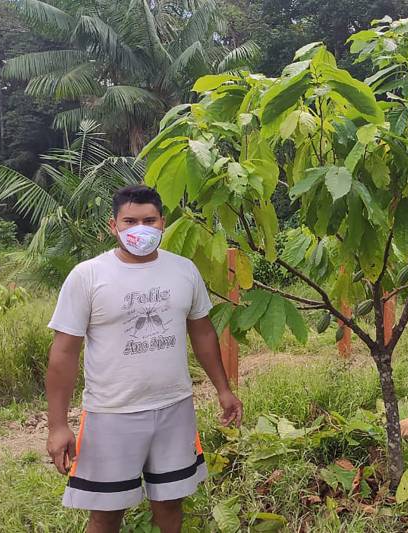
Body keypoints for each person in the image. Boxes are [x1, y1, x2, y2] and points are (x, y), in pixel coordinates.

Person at [46, 185, 243, 533]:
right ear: (113, 225)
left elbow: (203, 333)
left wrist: (223, 390)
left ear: (162, 223)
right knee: (106, 513)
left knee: (170, 504)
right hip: (111, 415)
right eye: (130, 221)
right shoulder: (88, 276)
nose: (141, 228)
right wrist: (58, 425)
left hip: (174, 409)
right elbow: (64, 352)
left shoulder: (184, 271)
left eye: (149, 220)